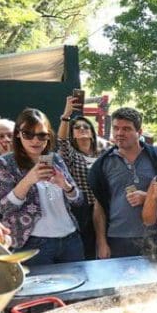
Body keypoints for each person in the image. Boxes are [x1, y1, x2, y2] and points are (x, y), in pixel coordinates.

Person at [0, 108, 84, 265]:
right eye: (28, 134)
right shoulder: (6, 163)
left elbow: (78, 200)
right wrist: (28, 180)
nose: (35, 140)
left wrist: (65, 186)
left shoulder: (54, 159)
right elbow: (4, 208)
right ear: (18, 134)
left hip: (70, 240)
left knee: (78, 288)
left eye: (42, 135)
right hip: (33, 243)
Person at [88, 107, 157, 259]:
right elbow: (99, 205)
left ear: (139, 132)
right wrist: (101, 243)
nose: (119, 133)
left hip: (154, 236)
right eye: (116, 128)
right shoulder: (102, 164)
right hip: (116, 239)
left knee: (153, 283)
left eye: (126, 129)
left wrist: (148, 197)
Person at [57, 96, 104, 259]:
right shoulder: (72, 156)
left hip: (105, 206)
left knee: (106, 247)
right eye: (77, 127)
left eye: (86, 126)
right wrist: (66, 116)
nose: (82, 128)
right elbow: (61, 141)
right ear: (73, 134)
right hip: (83, 208)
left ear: (92, 132)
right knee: (88, 249)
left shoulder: (103, 154)